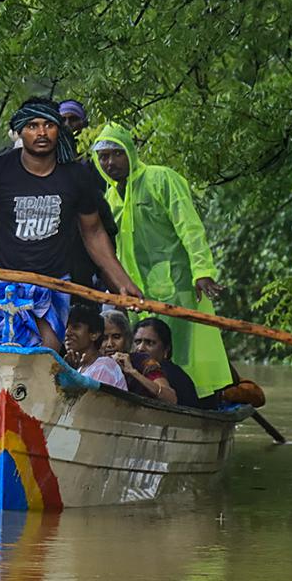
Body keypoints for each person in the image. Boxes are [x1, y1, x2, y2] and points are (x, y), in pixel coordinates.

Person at [0, 97, 142, 353]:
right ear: (20, 130)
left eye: (48, 125)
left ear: (58, 130)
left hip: (54, 282)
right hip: (3, 280)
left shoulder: (77, 176)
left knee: (49, 354)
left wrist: (122, 282)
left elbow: (94, 233)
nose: (41, 133)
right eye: (32, 126)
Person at [92, 123, 233, 400]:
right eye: (104, 157)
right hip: (137, 292)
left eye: (117, 154)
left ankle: (193, 400)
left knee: (180, 350)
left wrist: (201, 270)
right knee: (144, 352)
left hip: (177, 285)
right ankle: (153, 396)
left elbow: (189, 226)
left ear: (130, 153)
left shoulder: (161, 179)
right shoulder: (110, 198)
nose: (110, 162)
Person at [130, 317, 207, 408]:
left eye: (150, 343)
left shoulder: (170, 374)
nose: (140, 348)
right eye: (137, 342)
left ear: (166, 350)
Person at [63, 305, 128, 391]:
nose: (67, 332)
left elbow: (89, 402)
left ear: (94, 334)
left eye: (75, 327)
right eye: (66, 327)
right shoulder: (80, 368)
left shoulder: (104, 366)